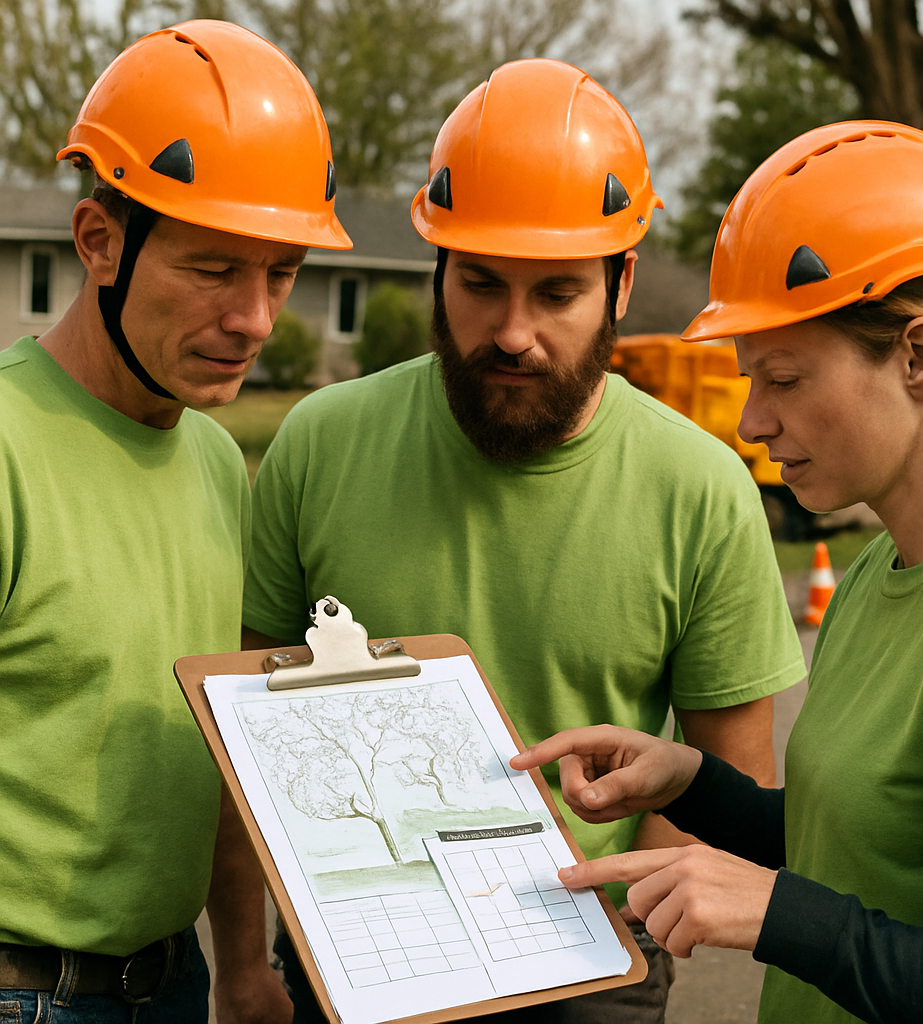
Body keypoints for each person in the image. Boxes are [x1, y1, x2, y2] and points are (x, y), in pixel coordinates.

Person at [242, 58, 805, 1024]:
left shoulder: (702, 489)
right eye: (480, 283)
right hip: (360, 951)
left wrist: (628, 909)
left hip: (594, 964)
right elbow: (250, 718)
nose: (511, 332)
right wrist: (249, 953)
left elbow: (732, 775)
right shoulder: (317, 444)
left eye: (556, 292)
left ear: (621, 283)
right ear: (437, 270)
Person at [511, 120, 923, 1024]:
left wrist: (775, 913)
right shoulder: (879, 572)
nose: (751, 421)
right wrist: (691, 785)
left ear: (919, 358)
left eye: (782, 379)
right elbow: (861, 849)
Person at [0, 20, 352, 1024]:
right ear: (99, 242)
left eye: (279, 272)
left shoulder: (210, 456)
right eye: (212, 269)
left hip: (171, 981)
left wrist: (242, 964)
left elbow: (223, 741)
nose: (255, 317)